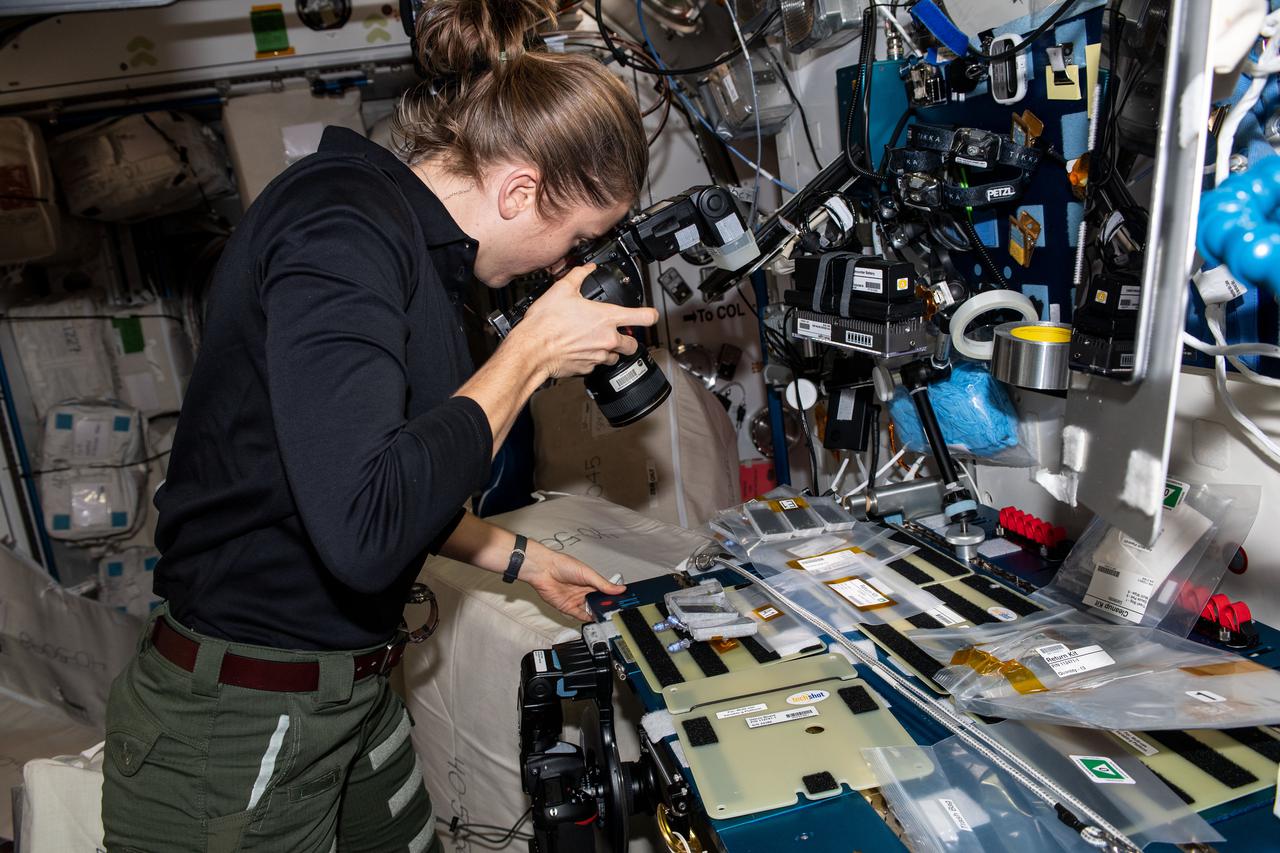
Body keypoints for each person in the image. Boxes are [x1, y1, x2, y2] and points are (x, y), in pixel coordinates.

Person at [100, 1, 655, 849]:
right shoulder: (340, 229)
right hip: (240, 718)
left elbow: (398, 474)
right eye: (574, 238)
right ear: (519, 190)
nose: (561, 268)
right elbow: (363, 526)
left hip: (352, 692)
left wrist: (520, 558)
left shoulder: (426, 260)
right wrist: (534, 351)